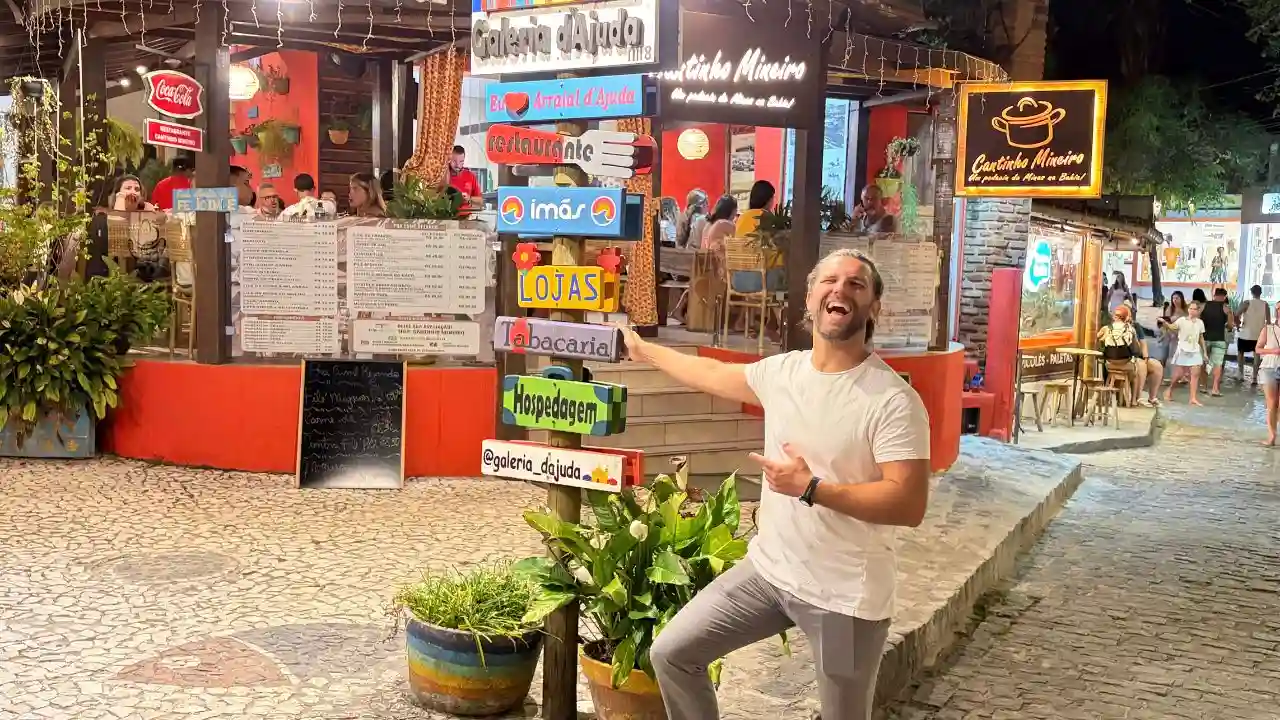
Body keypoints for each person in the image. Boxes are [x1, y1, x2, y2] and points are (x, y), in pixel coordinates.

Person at [628, 248, 931, 720]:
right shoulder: (783, 372)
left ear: (874, 307)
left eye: (856, 284)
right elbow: (710, 373)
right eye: (829, 280)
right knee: (672, 654)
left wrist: (813, 487)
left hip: (844, 598)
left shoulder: (892, 400)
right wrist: (645, 350)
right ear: (809, 299)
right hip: (770, 575)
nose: (841, 289)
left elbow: (908, 502)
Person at [1098, 304, 1163, 407]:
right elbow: (1136, 347)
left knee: (1156, 365)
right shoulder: (1113, 328)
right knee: (1140, 365)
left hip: (1127, 358)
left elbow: (1142, 345)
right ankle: (1137, 398)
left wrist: (1145, 357)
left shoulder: (1134, 326)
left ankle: (1152, 397)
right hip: (1125, 359)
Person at [1164, 301, 1209, 406]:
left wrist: (1205, 352)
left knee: (1195, 373)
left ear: (1198, 311)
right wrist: (1166, 324)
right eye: (1190, 308)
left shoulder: (1200, 323)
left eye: (1194, 309)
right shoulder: (1182, 320)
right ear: (1188, 310)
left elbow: (1201, 338)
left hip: (1195, 349)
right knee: (1179, 375)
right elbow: (1173, 327)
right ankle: (1170, 390)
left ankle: (1193, 398)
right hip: (1183, 349)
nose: (1192, 311)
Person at [1254, 300, 1280, 446]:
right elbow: (1258, 349)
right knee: (1271, 403)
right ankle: (1271, 435)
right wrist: (1273, 351)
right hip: (1269, 367)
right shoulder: (1268, 329)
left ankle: (1274, 429)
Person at [1200, 287, 1234, 396]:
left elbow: (1199, 320)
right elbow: (1230, 326)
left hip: (1204, 339)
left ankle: (1204, 386)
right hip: (1219, 339)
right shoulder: (1226, 308)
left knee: (1204, 363)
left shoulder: (1204, 305)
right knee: (1217, 364)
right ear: (1224, 297)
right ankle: (1215, 389)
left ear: (1214, 295)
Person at [1236, 285, 1270, 386]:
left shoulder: (1246, 303)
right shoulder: (1266, 305)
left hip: (1245, 334)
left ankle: (1240, 374)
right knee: (1257, 355)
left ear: (1251, 292)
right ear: (1261, 293)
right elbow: (1268, 322)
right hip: (1258, 334)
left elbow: (1236, 314)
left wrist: (1238, 325)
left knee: (1240, 353)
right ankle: (1254, 377)